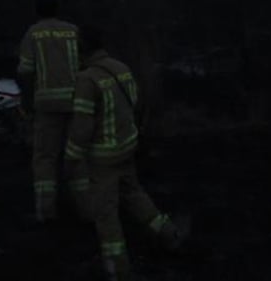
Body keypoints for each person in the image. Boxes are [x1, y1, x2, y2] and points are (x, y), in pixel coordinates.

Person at [64, 26, 185, 281]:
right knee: (135, 195)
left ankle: (118, 270)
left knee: (106, 215)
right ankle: (169, 234)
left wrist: (72, 157)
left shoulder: (87, 80)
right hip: (128, 148)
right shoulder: (121, 68)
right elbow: (134, 104)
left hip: (103, 159)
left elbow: (82, 127)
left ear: (83, 50)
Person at [16, 0, 80, 223]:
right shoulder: (73, 31)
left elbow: (26, 71)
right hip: (76, 102)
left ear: (37, 10)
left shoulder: (33, 34)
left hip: (46, 105)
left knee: (45, 158)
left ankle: (46, 213)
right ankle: (85, 207)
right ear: (57, 8)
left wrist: (26, 103)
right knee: (76, 155)